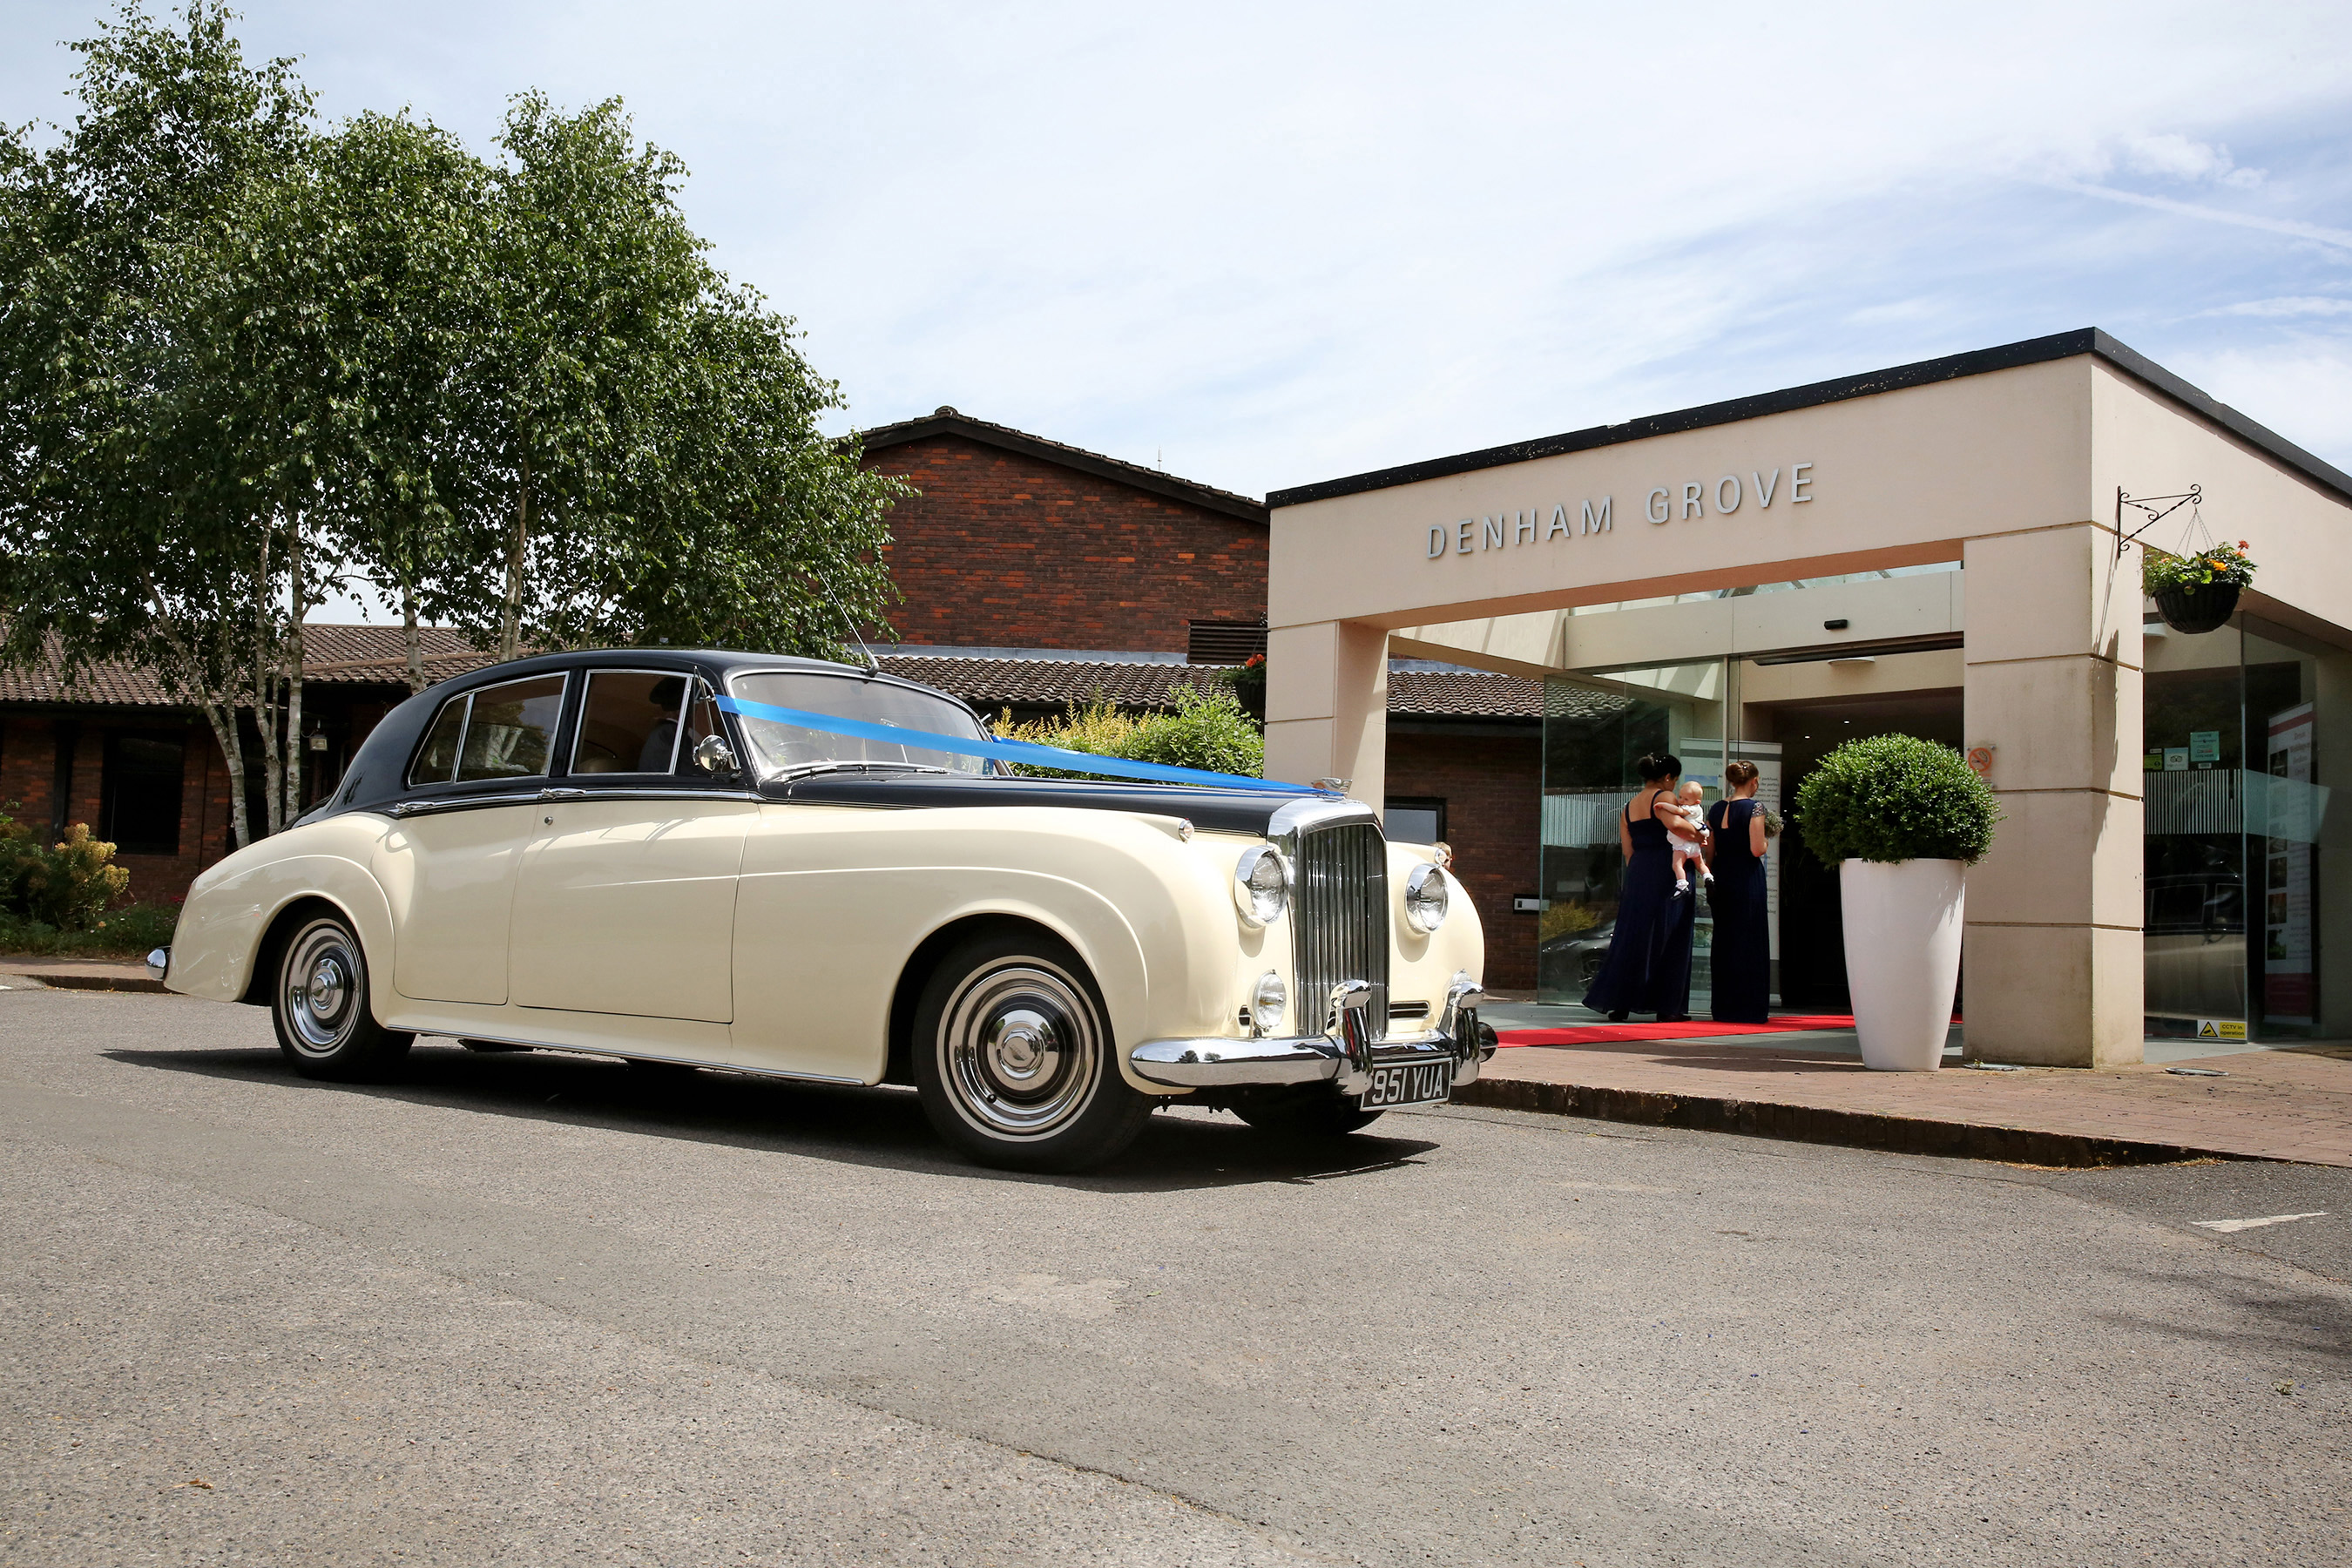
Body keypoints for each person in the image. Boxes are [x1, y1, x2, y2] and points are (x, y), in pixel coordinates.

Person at [1579, 754, 1700, 1023]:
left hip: (1639, 871)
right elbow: (1676, 827)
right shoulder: (1665, 798)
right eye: (1675, 779)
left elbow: (1628, 851)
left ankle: (1619, 1003)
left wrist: (1638, 874)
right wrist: (1701, 833)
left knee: (1634, 936)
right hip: (1667, 870)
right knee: (1671, 934)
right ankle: (1667, 1006)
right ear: (1668, 777)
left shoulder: (1628, 806)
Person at [1705, 759, 1774, 1024]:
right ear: (1754, 781)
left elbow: (1710, 851)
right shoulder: (1755, 807)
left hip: (1722, 875)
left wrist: (1710, 876)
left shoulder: (1715, 808)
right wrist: (1768, 838)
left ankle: (1723, 1006)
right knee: (1750, 938)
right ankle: (1748, 1007)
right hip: (1746, 876)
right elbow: (1757, 849)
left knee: (1724, 940)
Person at [1666, 778, 1713, 895]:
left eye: (1686, 799)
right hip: (1695, 846)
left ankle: (1682, 883)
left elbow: (1679, 812)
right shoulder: (1699, 809)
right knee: (1701, 864)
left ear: (1697, 801)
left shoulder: (1689, 809)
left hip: (1683, 844)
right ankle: (1708, 876)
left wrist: (1663, 805)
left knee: (1677, 865)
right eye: (1680, 797)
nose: (1681, 801)